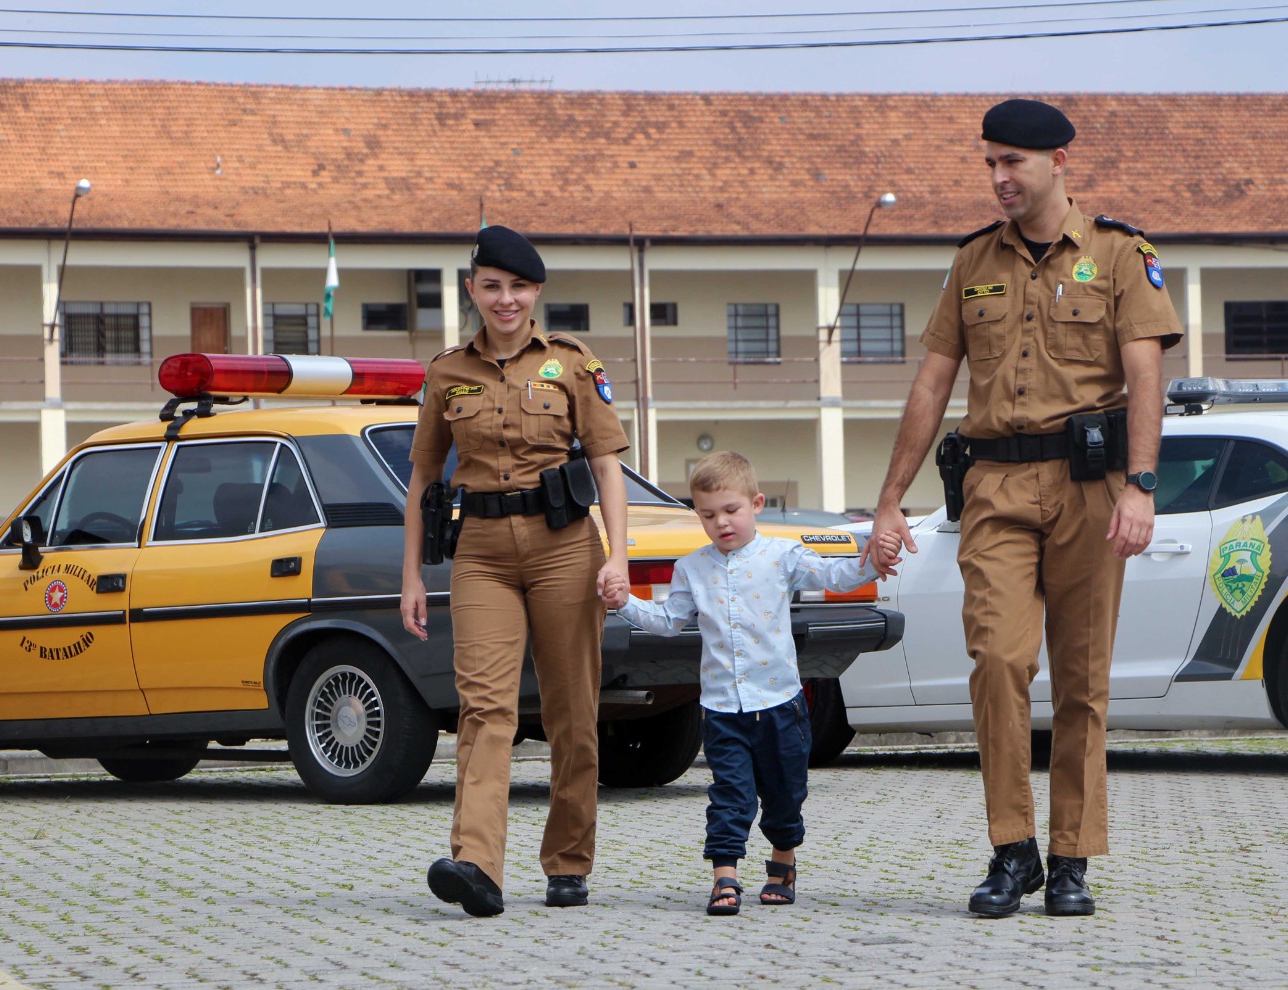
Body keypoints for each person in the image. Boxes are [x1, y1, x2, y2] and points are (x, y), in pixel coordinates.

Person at [868, 99, 1183, 918]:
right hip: (995, 488)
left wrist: (1142, 486)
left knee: (1082, 684)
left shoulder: (1119, 253)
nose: (999, 178)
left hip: (1091, 487)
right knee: (1000, 663)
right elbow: (934, 380)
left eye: (1012, 162)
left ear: (1057, 162)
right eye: (989, 164)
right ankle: (1013, 850)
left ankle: (1073, 857)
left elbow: (1146, 376)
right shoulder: (973, 260)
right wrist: (889, 500)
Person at [402, 225, 631, 918]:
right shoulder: (447, 372)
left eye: (519, 287)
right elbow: (421, 478)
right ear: (472, 289)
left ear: (536, 293)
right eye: (492, 286)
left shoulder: (570, 363)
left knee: (571, 712)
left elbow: (606, 466)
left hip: (564, 545)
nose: (506, 300)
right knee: (484, 707)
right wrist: (411, 573)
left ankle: (567, 860)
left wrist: (618, 555)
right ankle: (478, 866)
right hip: (481, 552)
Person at [601, 451, 892, 915]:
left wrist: (871, 560)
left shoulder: (782, 554)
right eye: (708, 514)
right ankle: (725, 876)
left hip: (781, 705)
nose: (721, 523)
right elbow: (669, 621)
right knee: (730, 794)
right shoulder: (691, 568)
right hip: (722, 709)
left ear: (756, 503)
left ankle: (783, 861)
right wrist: (624, 603)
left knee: (784, 796)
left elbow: (836, 575)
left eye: (731, 510)